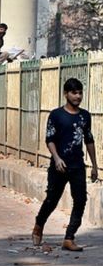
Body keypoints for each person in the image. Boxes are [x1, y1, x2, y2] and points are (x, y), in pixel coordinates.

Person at [32, 78, 98, 252]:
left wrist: (94, 165)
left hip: (77, 165)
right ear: (66, 94)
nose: (78, 96)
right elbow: (50, 139)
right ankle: (39, 224)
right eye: (74, 93)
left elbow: (89, 140)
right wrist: (56, 158)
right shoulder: (56, 115)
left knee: (81, 200)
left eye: (80, 93)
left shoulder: (85, 116)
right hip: (59, 166)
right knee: (52, 200)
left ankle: (69, 238)